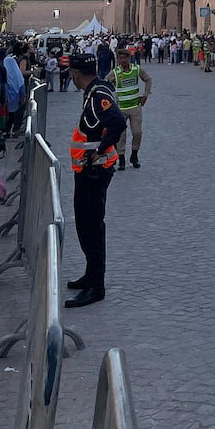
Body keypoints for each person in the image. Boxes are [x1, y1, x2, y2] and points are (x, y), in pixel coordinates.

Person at [66, 52, 126, 307]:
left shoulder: (98, 94)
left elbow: (117, 121)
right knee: (85, 223)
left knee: (91, 226)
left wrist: (100, 150)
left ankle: (96, 285)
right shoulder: (97, 89)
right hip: (89, 169)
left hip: (94, 170)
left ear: (76, 74)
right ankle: (91, 274)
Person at [106, 46, 153, 170]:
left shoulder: (136, 69)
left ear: (129, 58)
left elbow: (148, 79)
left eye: (124, 58)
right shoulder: (115, 73)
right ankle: (121, 159)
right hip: (120, 109)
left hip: (135, 107)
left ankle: (134, 155)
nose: (122, 60)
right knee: (121, 135)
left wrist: (146, 95)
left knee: (137, 133)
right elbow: (106, 84)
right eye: (120, 58)